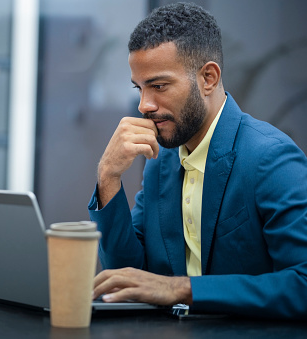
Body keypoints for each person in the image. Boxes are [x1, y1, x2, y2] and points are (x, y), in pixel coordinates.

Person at [89, 2, 307, 319]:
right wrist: (108, 177)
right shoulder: (161, 163)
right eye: (139, 88)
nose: (143, 105)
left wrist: (181, 289)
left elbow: (303, 283)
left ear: (208, 78)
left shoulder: (269, 158)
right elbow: (131, 278)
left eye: (158, 86)